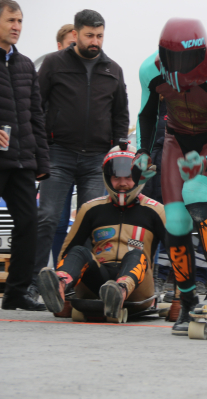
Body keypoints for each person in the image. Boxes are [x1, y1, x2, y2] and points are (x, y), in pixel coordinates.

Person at [137, 18, 207, 335]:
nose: (183, 78)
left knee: (195, 193)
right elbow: (146, 116)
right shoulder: (149, 70)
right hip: (177, 138)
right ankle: (186, 301)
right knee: (175, 221)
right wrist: (142, 153)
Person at [33, 9, 129, 295]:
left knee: (90, 225)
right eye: (89, 35)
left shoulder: (113, 70)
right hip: (58, 153)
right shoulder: (53, 64)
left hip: (96, 159)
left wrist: (118, 150)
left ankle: (74, 284)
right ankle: (33, 284)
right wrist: (40, 146)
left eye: (99, 36)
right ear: (75, 34)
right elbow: (36, 105)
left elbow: (120, 115)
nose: (95, 41)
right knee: (48, 217)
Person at [36, 145, 166, 319]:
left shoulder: (157, 210)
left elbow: (178, 253)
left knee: (136, 254)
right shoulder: (90, 208)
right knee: (79, 251)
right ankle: (59, 287)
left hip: (138, 288)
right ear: (107, 177)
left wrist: (181, 299)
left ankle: (119, 292)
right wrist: (67, 299)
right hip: (98, 283)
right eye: (116, 177)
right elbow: (67, 252)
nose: (122, 183)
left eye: (129, 177)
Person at [0, 0, 49, 311]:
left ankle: (16, 293)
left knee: (29, 223)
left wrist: (41, 161)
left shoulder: (26, 65)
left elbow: (36, 116)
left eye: (19, 20)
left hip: (21, 161)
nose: (16, 26)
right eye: (10, 20)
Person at [50, 24, 77, 264]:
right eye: (71, 44)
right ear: (59, 46)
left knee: (88, 220)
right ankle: (59, 270)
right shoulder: (51, 72)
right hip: (58, 154)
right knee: (57, 221)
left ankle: (81, 273)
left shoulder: (99, 71)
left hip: (90, 156)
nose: (76, 49)